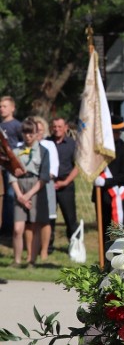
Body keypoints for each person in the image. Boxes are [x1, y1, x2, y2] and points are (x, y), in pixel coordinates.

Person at [9, 118, 50, 266]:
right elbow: (11, 174)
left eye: (31, 133)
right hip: (19, 187)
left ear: (36, 133)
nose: (28, 136)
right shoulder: (16, 151)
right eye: (25, 133)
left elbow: (44, 176)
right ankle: (17, 260)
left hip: (36, 188)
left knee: (35, 225)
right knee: (18, 228)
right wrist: (20, 195)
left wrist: (28, 195)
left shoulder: (43, 151)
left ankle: (32, 259)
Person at [92, 116, 124, 253]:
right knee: (103, 230)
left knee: (119, 230)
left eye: (118, 132)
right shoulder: (98, 149)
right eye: (114, 132)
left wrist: (106, 181)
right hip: (101, 195)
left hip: (118, 194)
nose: (116, 134)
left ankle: (119, 259)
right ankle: (104, 260)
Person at [49, 117, 79, 249]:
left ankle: (74, 244)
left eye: (60, 126)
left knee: (70, 217)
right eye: (54, 126)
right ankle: (47, 245)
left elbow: (78, 166)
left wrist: (65, 182)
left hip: (66, 185)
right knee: (49, 217)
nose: (57, 129)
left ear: (66, 127)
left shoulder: (73, 144)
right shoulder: (47, 143)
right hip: (48, 184)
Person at [32, 116, 58, 260]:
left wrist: (40, 177)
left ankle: (44, 250)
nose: (38, 133)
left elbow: (54, 169)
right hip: (29, 185)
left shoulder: (49, 145)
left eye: (41, 130)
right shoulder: (25, 146)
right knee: (32, 221)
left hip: (45, 184)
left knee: (45, 219)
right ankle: (32, 250)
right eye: (36, 130)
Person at [1, 95, 23, 237]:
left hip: (11, 166)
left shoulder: (17, 125)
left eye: (4, 106)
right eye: (0, 106)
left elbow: (23, 145)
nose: (1, 109)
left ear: (12, 108)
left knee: (10, 196)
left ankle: (9, 228)